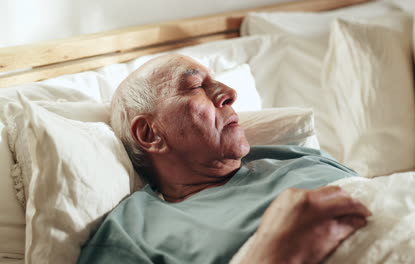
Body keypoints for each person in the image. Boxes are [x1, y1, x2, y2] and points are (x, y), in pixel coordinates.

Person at [78, 54, 372, 264]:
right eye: (195, 87)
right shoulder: (132, 233)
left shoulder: (299, 157)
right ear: (150, 133)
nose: (230, 94)